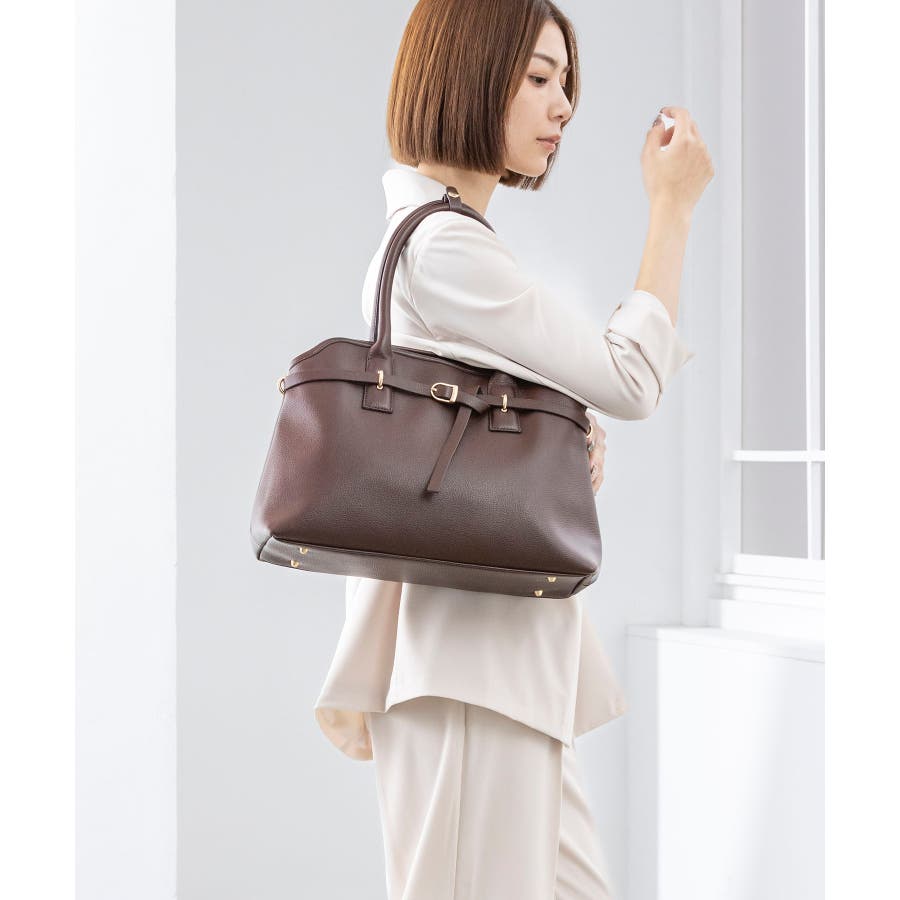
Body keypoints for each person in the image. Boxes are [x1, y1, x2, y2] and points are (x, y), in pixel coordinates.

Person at [313, 1, 714, 897]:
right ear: (467, 76)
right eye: (538, 77)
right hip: (469, 665)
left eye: (566, 82)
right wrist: (672, 208)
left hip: (495, 660)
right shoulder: (444, 248)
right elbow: (628, 377)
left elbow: (497, 413)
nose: (563, 104)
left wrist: (565, 433)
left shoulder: (449, 241)